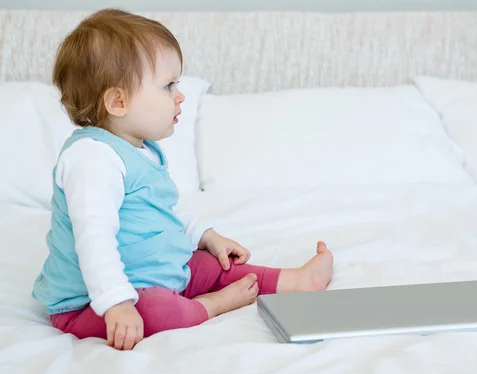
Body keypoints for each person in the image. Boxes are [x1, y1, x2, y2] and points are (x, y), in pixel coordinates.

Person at [32, 8, 334, 351]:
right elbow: (93, 239)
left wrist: (204, 235)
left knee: (210, 264)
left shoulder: (140, 149)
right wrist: (116, 303)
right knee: (155, 311)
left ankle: (293, 280)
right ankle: (213, 305)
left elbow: (157, 214)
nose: (180, 95)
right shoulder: (91, 158)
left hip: (152, 271)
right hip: (93, 300)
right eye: (168, 85)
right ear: (118, 101)